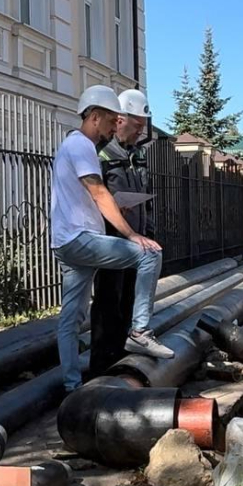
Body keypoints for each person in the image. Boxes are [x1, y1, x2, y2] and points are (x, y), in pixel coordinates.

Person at [51, 85, 173, 394]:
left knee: (71, 318)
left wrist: (119, 208)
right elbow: (98, 190)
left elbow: (85, 198)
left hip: (66, 242)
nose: (110, 128)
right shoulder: (82, 146)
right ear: (94, 117)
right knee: (148, 254)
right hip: (81, 240)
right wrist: (132, 235)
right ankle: (140, 331)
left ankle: (72, 386)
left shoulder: (72, 146)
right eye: (109, 121)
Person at [87, 88, 157, 381]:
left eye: (143, 127)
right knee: (108, 303)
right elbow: (93, 195)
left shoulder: (137, 155)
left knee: (129, 299)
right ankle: (101, 367)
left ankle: (122, 360)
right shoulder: (102, 154)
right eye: (136, 126)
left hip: (135, 240)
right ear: (120, 120)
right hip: (111, 240)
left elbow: (145, 195)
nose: (140, 132)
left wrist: (149, 228)